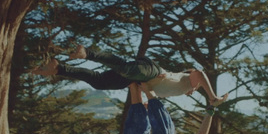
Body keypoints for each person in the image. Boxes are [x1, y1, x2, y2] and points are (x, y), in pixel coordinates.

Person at [32, 45, 228, 106]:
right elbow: (200, 73)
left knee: (100, 82)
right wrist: (212, 97)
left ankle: (58, 68)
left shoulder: (182, 88)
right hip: (152, 70)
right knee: (125, 68)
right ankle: (88, 53)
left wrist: (144, 99)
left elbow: (145, 89)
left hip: (139, 80)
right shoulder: (185, 80)